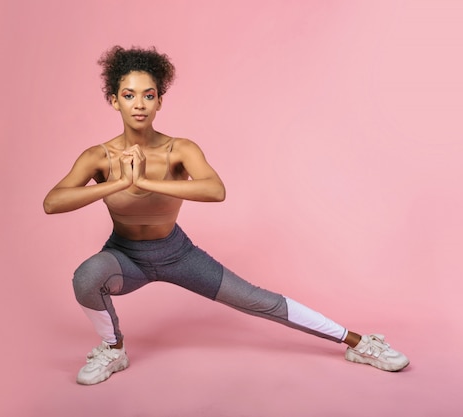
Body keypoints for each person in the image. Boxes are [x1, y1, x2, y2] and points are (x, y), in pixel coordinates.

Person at [43, 45, 410, 385]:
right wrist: (117, 184)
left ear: (159, 102)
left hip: (177, 254)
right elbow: (52, 201)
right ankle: (113, 349)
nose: (139, 104)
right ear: (114, 101)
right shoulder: (98, 156)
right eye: (128, 95)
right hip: (125, 257)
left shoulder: (179, 150)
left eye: (148, 95)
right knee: (87, 276)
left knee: (257, 300)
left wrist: (148, 184)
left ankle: (361, 342)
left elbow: (215, 190)